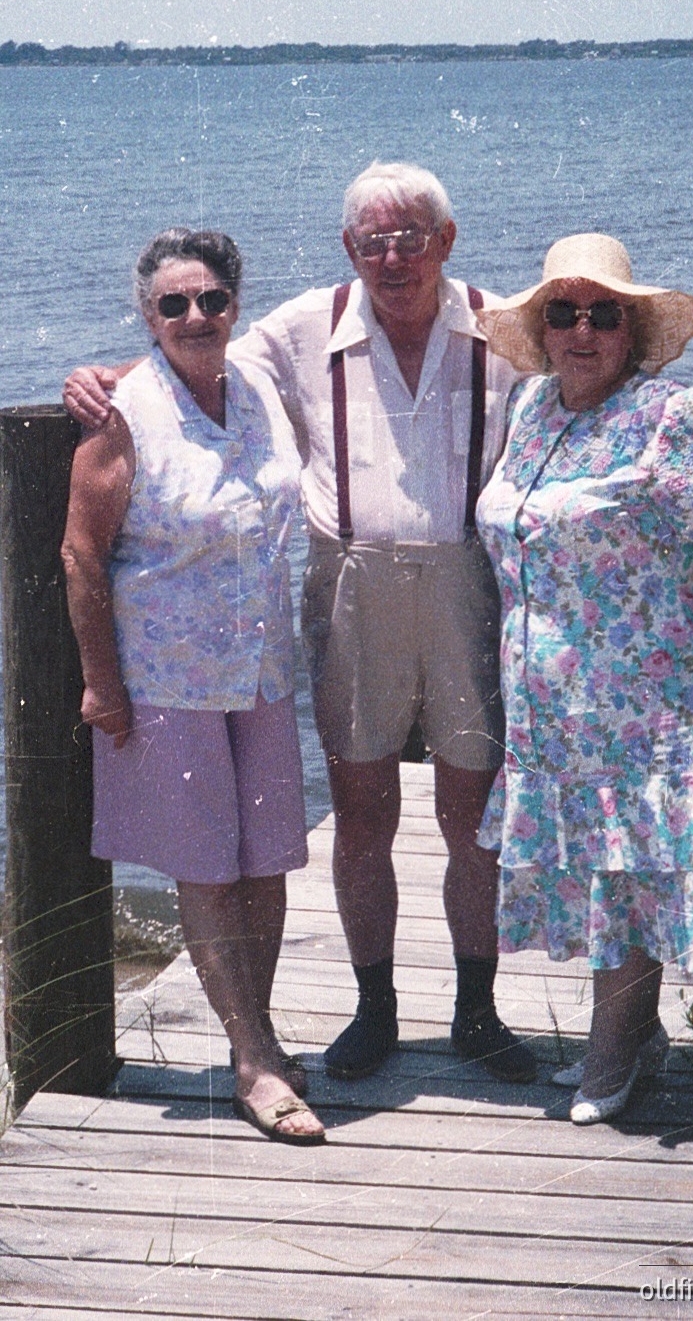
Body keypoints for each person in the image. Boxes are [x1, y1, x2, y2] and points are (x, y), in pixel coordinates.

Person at [64, 164, 538, 1085]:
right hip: (350, 584)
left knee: (471, 812)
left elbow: (593, 355)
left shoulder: (503, 324)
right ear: (347, 249)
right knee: (361, 813)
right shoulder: (301, 327)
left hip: (469, 584)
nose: (393, 257)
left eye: (411, 238)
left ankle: (477, 1011)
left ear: (447, 239)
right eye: (372, 241)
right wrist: (101, 375)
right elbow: (194, 357)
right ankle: (375, 1010)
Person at [472, 232, 693, 1125]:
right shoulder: (532, 408)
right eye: (562, 313)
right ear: (542, 328)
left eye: (605, 314)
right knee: (599, 875)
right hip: (549, 705)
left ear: (633, 329)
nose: (582, 330)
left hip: (645, 700)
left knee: (631, 869)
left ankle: (614, 1050)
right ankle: (634, 1033)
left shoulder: (675, 417)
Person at [61, 227, 324, 1145]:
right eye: (173, 304)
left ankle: (261, 1033)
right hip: (168, 677)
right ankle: (252, 1058)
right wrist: (102, 685)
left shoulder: (253, 384)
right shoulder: (122, 412)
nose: (195, 316)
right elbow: (81, 555)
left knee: (268, 860)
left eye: (210, 298)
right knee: (209, 868)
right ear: (148, 317)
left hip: (260, 668)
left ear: (234, 307)